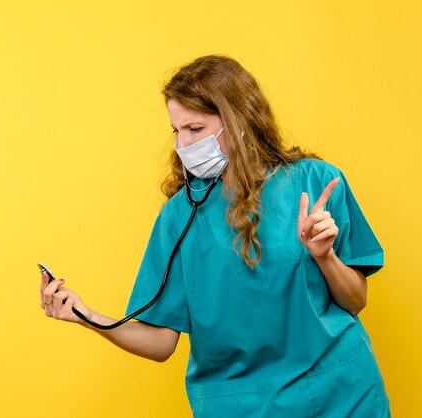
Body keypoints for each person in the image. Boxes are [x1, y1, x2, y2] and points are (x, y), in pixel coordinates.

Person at [40, 55, 390, 417]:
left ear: (238, 121)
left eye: (195, 129)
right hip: (240, 405)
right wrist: (84, 314)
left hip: (339, 396)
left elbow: (355, 300)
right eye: (177, 131)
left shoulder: (315, 183)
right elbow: (161, 342)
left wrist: (324, 256)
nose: (184, 145)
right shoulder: (180, 216)